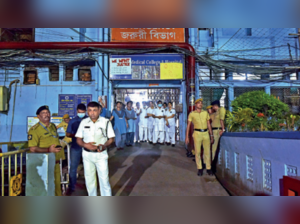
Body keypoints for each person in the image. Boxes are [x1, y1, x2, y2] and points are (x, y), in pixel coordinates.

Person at [75, 102, 115, 196]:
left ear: (99, 110)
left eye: (94, 110)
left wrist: (104, 145)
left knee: (104, 180)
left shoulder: (106, 122)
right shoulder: (84, 122)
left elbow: (111, 139)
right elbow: (78, 139)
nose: (92, 113)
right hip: (87, 155)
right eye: (90, 110)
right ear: (87, 112)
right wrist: (85, 145)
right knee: (90, 180)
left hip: (101, 155)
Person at [28, 105, 65, 196]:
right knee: (46, 188)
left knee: (57, 186)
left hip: (56, 162)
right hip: (44, 163)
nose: (46, 115)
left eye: (48, 112)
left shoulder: (52, 126)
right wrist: (48, 149)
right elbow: (33, 148)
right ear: (38, 116)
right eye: (43, 113)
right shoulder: (34, 130)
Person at [185, 98, 214, 176]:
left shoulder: (205, 113)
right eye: (198, 103)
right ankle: (200, 168)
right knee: (197, 152)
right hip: (197, 133)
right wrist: (187, 137)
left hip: (205, 133)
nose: (200, 104)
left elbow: (208, 124)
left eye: (201, 103)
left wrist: (211, 135)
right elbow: (188, 126)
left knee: (207, 151)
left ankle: (208, 168)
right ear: (195, 105)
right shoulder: (192, 114)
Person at [64, 103, 88, 196]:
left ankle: (89, 186)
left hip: (87, 147)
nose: (81, 113)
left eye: (82, 112)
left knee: (88, 168)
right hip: (75, 147)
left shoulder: (89, 120)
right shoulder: (72, 121)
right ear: (77, 111)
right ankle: (72, 187)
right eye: (79, 112)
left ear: (85, 111)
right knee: (73, 168)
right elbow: (68, 133)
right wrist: (77, 136)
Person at [210, 100, 226, 172]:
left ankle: (213, 167)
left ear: (215, 105)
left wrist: (223, 129)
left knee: (214, 149)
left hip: (217, 130)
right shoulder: (215, 113)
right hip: (214, 131)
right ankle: (213, 165)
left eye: (212, 106)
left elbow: (221, 119)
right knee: (213, 149)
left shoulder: (221, 109)